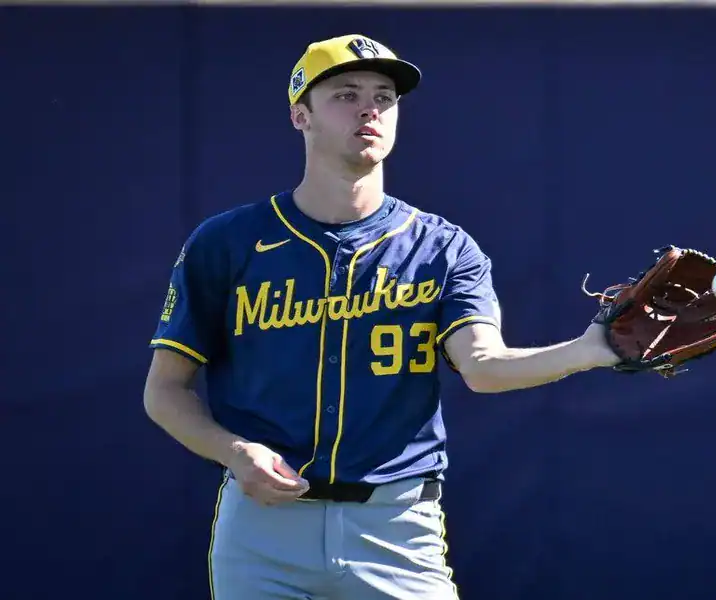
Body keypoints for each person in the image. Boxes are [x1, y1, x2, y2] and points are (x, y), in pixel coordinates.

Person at [142, 34, 626, 600]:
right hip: (262, 530)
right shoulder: (226, 243)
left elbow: (484, 366)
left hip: (396, 528)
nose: (370, 108)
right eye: (346, 94)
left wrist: (594, 349)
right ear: (301, 115)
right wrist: (233, 450)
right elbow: (164, 391)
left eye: (384, 96)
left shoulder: (443, 246)